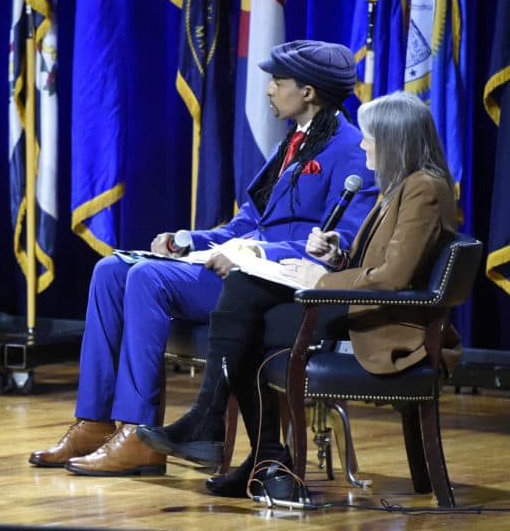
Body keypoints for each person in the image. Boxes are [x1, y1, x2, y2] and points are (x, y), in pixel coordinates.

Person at [29, 40, 377, 476]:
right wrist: (188, 240)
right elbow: (247, 221)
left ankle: (139, 434)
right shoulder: (290, 144)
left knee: (148, 280)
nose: (269, 89)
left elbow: (341, 245)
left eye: (278, 82)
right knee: (111, 269)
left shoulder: (353, 151)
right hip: (239, 267)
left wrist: (253, 252)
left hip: (274, 284)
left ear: (308, 92)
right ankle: (94, 422)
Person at [147, 90, 459, 497]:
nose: (362, 144)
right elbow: (381, 264)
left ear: (395, 141)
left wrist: (321, 280)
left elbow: (393, 279)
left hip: (384, 324)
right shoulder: (405, 186)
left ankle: (242, 442)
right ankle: (262, 457)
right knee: (243, 296)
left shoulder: (425, 189)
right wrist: (338, 254)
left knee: (243, 322)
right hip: (363, 307)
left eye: (370, 137)